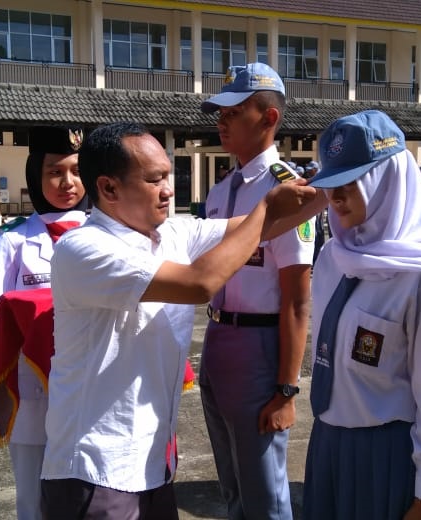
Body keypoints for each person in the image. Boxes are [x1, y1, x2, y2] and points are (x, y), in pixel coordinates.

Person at [40, 122, 316, 519]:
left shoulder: (170, 233)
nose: (169, 189)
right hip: (97, 469)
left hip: (152, 466)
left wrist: (339, 186)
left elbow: (264, 228)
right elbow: (199, 283)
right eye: (154, 180)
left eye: (168, 176)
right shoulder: (84, 248)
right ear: (109, 188)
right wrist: (267, 205)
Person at [302, 110, 421, 520]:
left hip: (388, 457)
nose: (336, 196)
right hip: (328, 444)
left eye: (351, 181)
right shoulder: (333, 258)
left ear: (387, 180)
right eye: (331, 184)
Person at [197, 62, 314, 520]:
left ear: (269, 119)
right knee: (232, 486)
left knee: (264, 493)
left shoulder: (288, 189)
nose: (221, 120)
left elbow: (297, 300)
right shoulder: (220, 191)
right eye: (220, 112)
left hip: (261, 346)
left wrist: (286, 390)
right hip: (219, 340)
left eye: (234, 111)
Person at [0, 126, 87, 520]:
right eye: (55, 171)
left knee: (89, 493)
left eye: (76, 170)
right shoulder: (10, 241)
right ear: (34, 177)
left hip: (92, 390)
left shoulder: (105, 236)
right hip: (34, 394)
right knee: (34, 499)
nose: (67, 182)